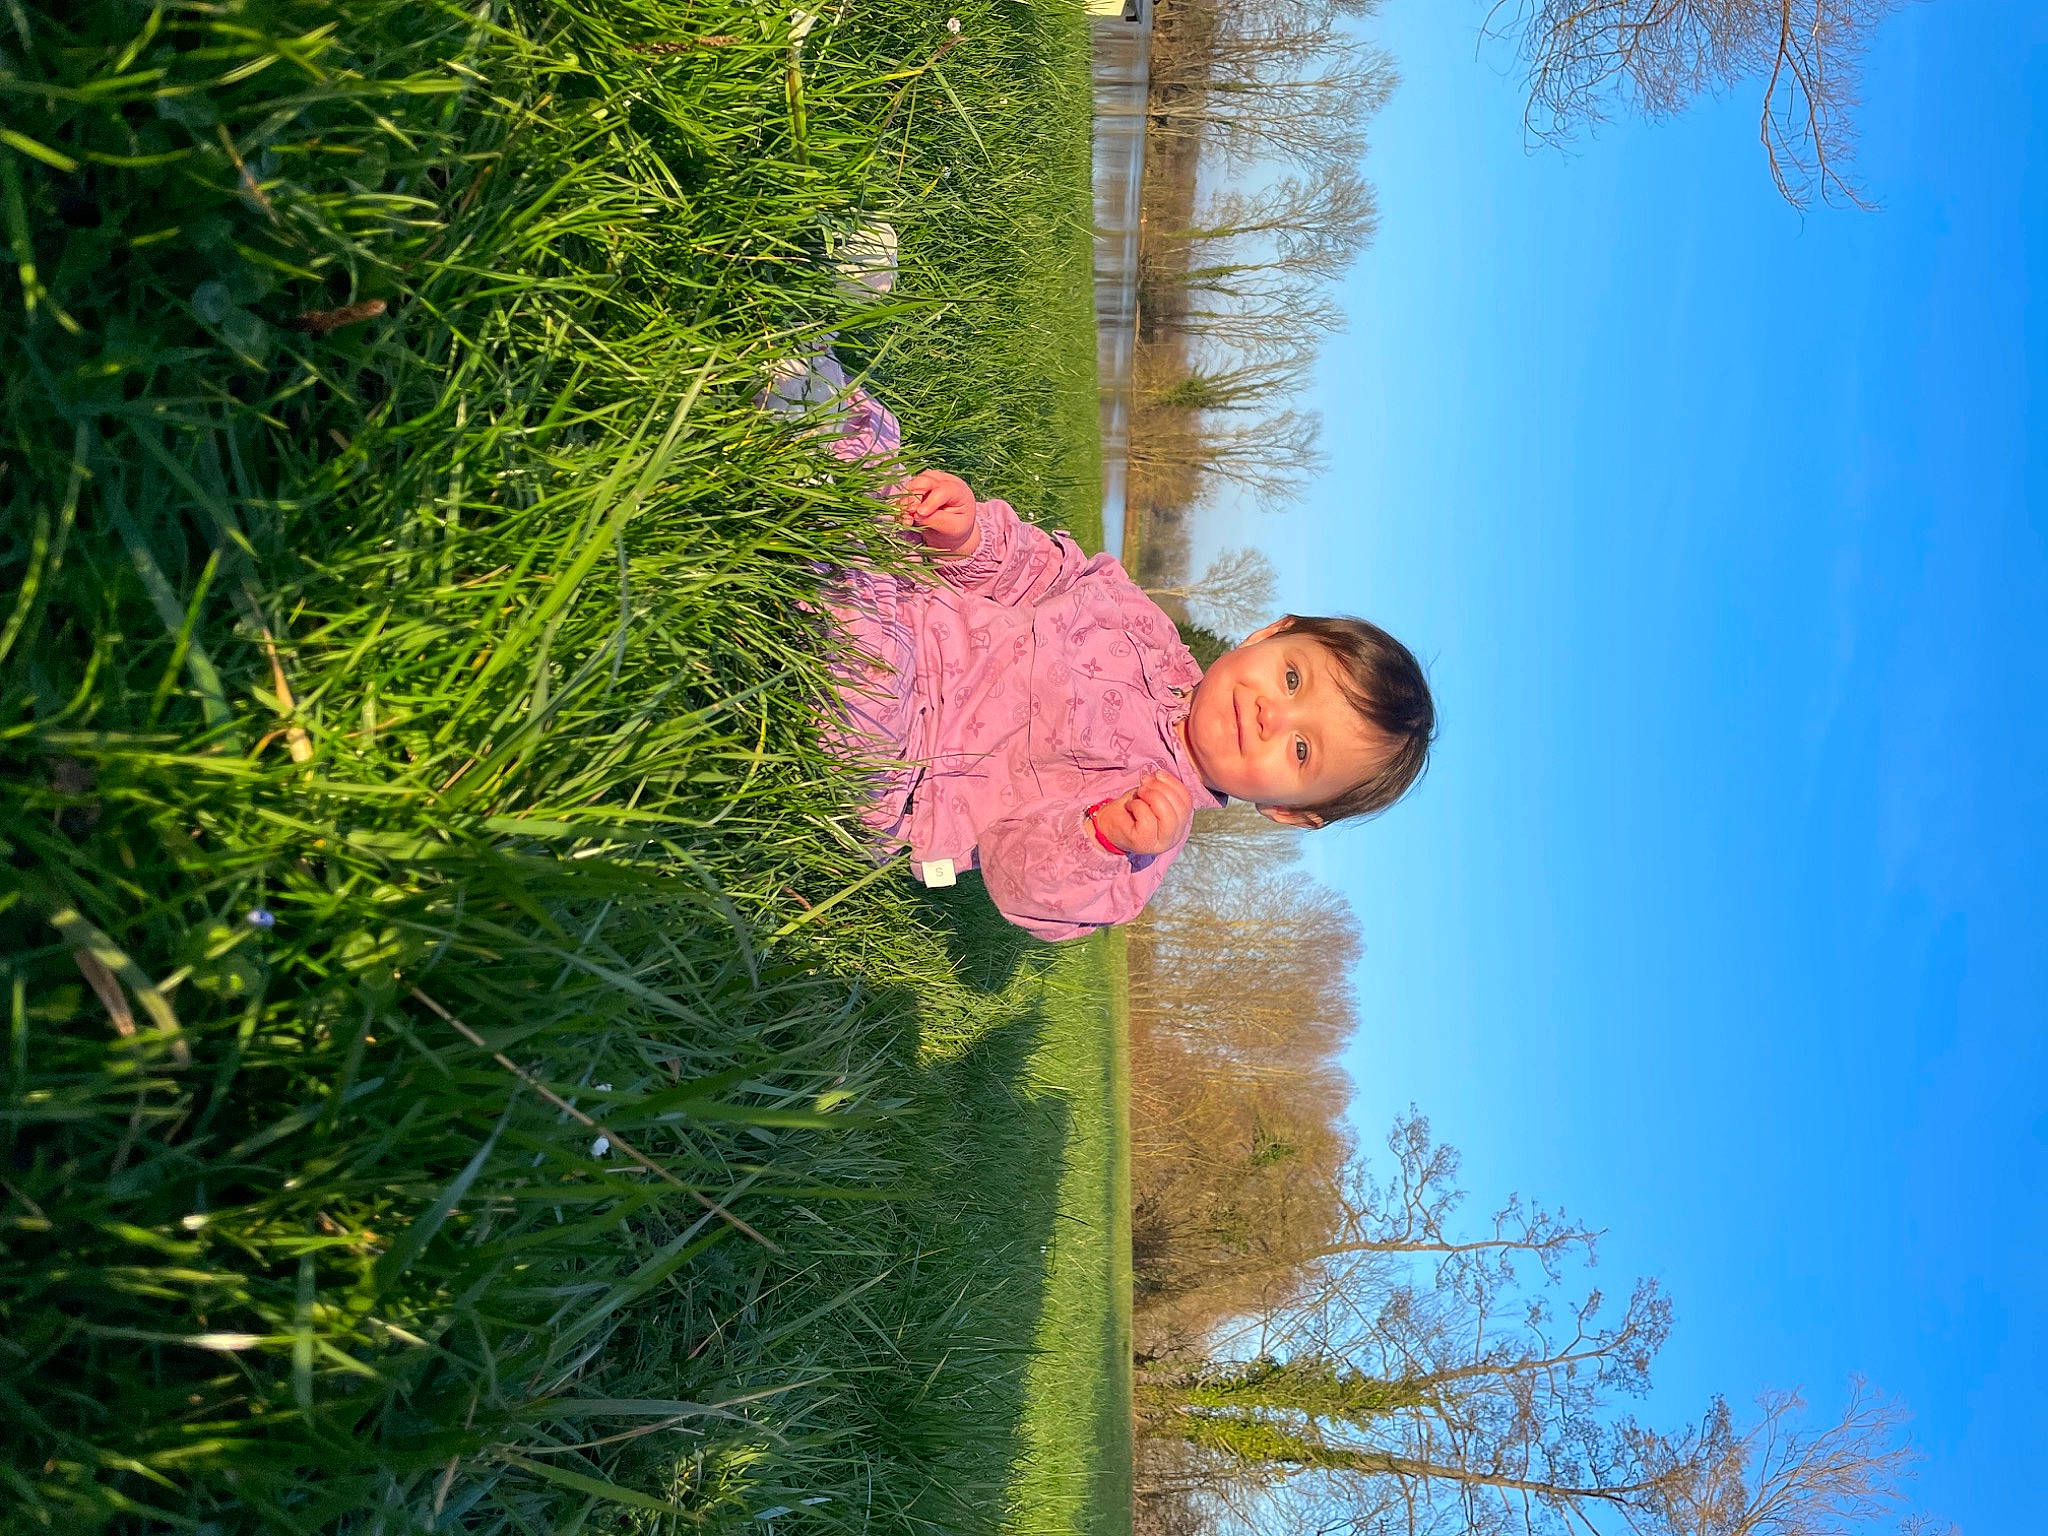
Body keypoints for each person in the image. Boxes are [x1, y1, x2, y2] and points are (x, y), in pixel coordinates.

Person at [765, 348, 1435, 942]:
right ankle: (805, 349)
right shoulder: (1137, 621)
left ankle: (821, 507)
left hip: (895, 769)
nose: (1271, 716)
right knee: (893, 471)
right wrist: (968, 541)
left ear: (1288, 811)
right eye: (1293, 681)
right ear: (1270, 635)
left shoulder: (1142, 841)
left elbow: (1020, 878)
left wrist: (1105, 839)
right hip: (917, 615)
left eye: (1299, 749)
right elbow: (1037, 571)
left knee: (869, 648)